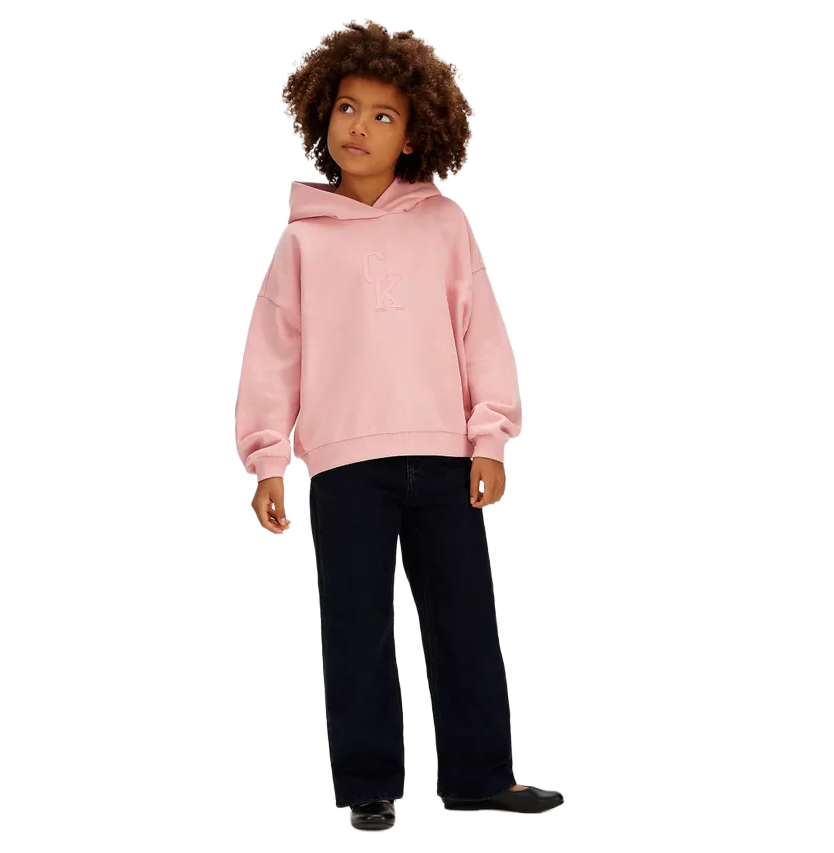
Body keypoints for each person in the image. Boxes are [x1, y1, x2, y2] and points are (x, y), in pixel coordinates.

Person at [234, 20, 564, 831]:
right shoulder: (301, 242)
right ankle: (369, 782)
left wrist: (489, 437)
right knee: (356, 629)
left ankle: (481, 774)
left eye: (384, 115)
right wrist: (268, 458)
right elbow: (273, 353)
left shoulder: (445, 225)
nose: (359, 127)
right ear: (322, 113)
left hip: (446, 460)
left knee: (465, 622)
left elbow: (481, 335)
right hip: (345, 467)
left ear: (415, 136)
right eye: (347, 108)